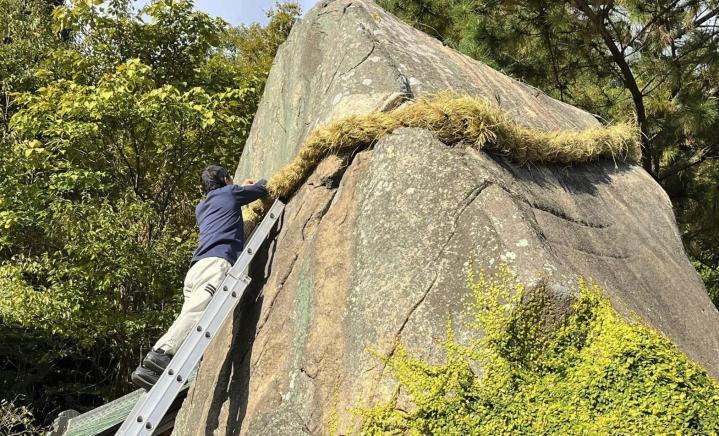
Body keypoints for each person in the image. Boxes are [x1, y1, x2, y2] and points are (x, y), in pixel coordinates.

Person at [131, 165, 268, 390]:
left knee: (190, 316)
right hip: (215, 264)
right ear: (225, 180)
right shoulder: (230, 193)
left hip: (196, 269)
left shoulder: (202, 207)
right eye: (230, 179)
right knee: (196, 313)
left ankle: (155, 369)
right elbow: (263, 189)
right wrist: (250, 186)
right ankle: (160, 354)